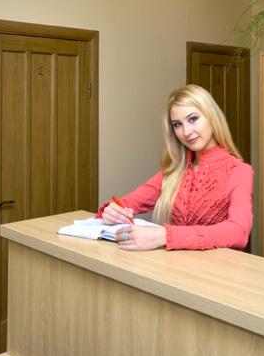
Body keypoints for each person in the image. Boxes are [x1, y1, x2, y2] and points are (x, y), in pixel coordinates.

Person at [97, 84, 253, 251]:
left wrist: (165, 235)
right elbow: (127, 203)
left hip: (218, 267)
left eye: (193, 119)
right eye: (177, 124)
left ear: (212, 117)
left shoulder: (240, 171)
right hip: (173, 265)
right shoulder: (175, 171)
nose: (186, 132)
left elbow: (239, 232)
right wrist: (112, 211)